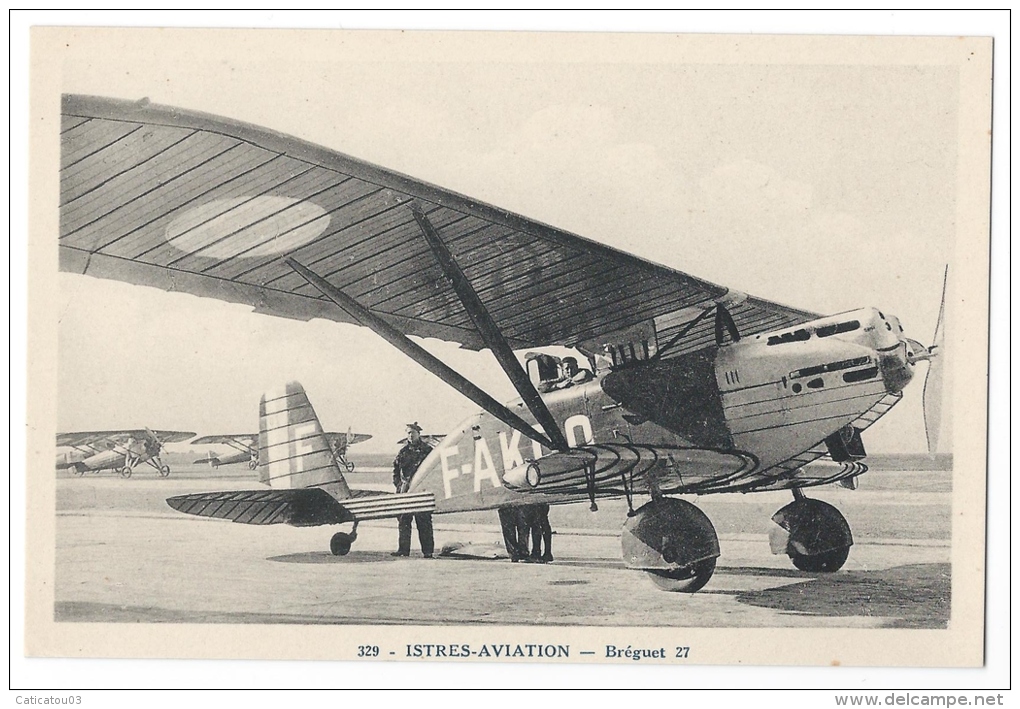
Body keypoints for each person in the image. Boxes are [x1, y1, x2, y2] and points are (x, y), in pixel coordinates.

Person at [392, 422, 435, 558]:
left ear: (419, 434)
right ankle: (403, 550)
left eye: (413, 432)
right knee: (404, 521)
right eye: (408, 433)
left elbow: (434, 470)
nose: (410, 435)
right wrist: (399, 485)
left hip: (421, 491)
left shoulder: (427, 451)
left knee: (424, 522)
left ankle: (428, 552)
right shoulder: (403, 452)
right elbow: (396, 470)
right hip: (405, 491)